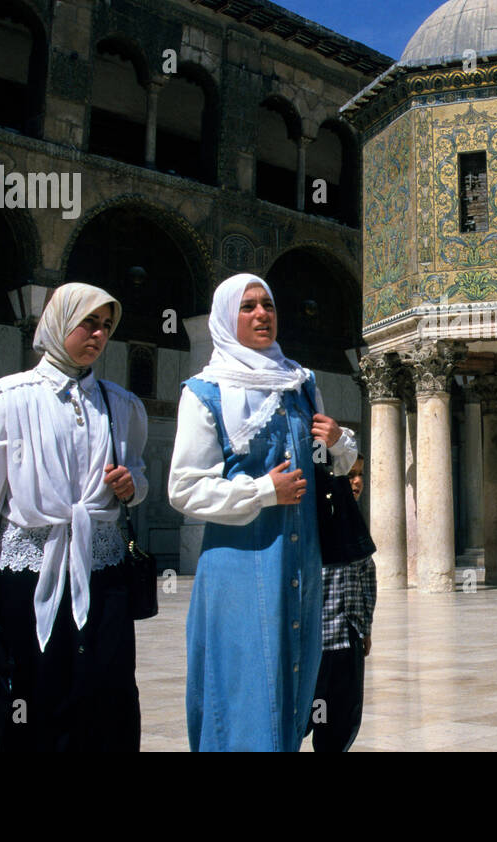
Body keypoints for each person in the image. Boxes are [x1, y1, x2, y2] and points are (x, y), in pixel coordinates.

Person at [0, 283, 148, 751]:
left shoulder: (121, 405)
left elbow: (138, 478)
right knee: (35, 690)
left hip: (104, 572)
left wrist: (130, 487)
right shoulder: (8, 398)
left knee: (107, 689)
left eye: (106, 326)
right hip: (29, 574)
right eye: (89, 323)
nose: (98, 335)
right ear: (60, 324)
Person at [168, 273, 357, 752]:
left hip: (300, 565)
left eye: (267, 305)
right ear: (227, 318)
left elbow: (329, 465)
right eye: (248, 307)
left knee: (292, 680)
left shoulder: (299, 382)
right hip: (238, 564)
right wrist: (261, 492)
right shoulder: (205, 391)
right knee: (244, 685)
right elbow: (184, 488)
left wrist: (338, 442)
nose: (261, 314)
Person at [307, 455, 376, 752]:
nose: (357, 482)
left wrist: (364, 628)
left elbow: (365, 582)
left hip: (347, 642)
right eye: (349, 476)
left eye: (359, 474)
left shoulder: (353, 521)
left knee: (340, 723)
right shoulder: (315, 524)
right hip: (315, 645)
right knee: (306, 717)